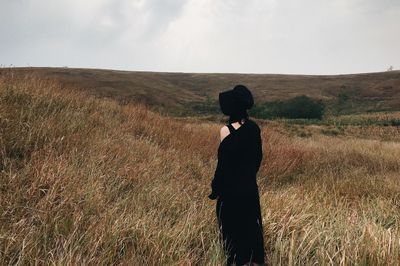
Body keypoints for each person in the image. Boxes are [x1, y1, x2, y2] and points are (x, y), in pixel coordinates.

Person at [208, 85, 266, 266]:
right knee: (251, 227)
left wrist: (215, 189)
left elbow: (223, 165)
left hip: (230, 191)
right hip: (249, 188)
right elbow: (257, 159)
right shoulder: (254, 128)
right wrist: (248, 178)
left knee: (231, 232)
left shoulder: (226, 131)